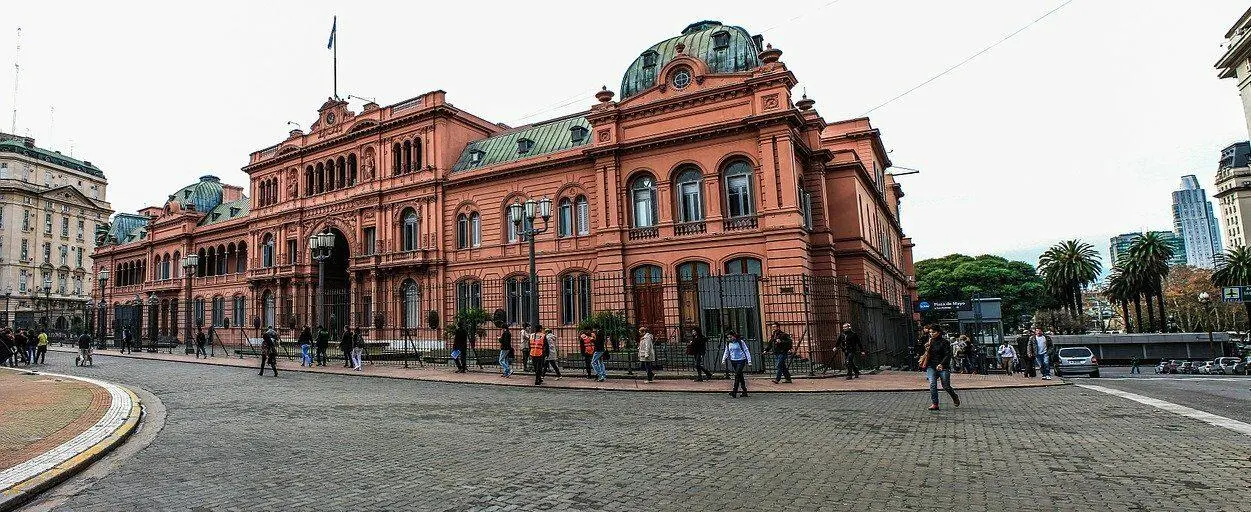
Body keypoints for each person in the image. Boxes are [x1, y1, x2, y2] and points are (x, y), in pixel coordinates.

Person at [919, 326, 959, 410]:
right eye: (930, 332)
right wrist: (926, 348)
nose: (931, 334)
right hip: (931, 366)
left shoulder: (945, 342)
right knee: (932, 384)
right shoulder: (929, 341)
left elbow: (948, 354)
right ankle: (935, 404)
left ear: (938, 332)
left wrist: (941, 364)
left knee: (946, 386)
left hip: (943, 366)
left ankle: (954, 396)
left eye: (933, 332)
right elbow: (926, 353)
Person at [722, 331, 752, 398]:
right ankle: (744, 391)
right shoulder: (728, 343)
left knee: (737, 375)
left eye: (731, 337)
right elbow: (727, 351)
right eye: (728, 337)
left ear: (734, 336)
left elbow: (746, 350)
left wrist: (749, 360)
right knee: (740, 375)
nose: (729, 338)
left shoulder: (740, 342)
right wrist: (723, 359)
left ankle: (734, 391)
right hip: (733, 360)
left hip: (741, 360)